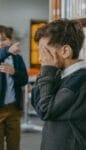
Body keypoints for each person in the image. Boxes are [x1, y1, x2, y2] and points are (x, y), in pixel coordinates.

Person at [31, 19, 86, 150]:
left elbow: (45, 111)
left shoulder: (79, 81)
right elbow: (37, 101)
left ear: (65, 51)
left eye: (44, 52)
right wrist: (47, 72)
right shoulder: (61, 74)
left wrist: (47, 70)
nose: (40, 58)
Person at [0, 25, 28, 150]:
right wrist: (7, 50)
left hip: (13, 109)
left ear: (10, 40)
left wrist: (14, 72)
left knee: (14, 144)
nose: (0, 43)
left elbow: (24, 79)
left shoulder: (18, 58)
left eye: (3, 39)